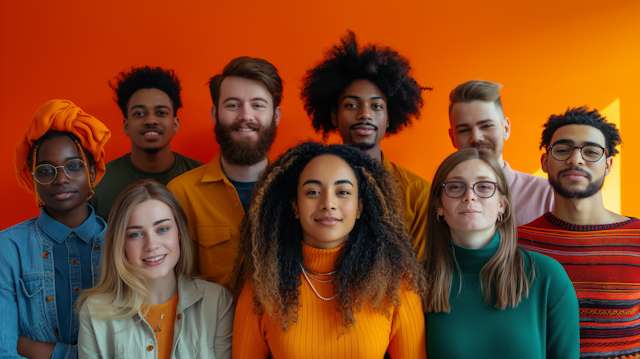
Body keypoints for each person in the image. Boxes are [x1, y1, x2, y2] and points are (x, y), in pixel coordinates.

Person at [232, 142, 427, 358]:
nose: (328, 203)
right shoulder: (262, 287)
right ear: (295, 206)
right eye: (313, 191)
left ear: (360, 207)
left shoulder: (397, 284)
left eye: (342, 191)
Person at [424, 148, 579, 358]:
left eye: (484, 187)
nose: (470, 196)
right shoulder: (416, 283)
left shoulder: (549, 278)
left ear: (502, 205)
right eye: (455, 187)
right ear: (438, 206)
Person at [517, 106, 640, 359]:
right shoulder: (515, 243)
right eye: (562, 150)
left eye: (591, 152)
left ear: (608, 164)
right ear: (544, 161)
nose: (576, 159)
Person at [301, 31, 431, 261]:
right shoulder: (305, 185)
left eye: (376, 106)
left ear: (389, 118)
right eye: (351, 105)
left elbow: (419, 272)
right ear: (334, 116)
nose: (364, 114)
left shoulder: (417, 194)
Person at [0, 99, 110, 358]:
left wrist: (39, 349)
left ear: (92, 173)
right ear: (33, 179)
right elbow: (4, 348)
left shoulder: (122, 242)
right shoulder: (8, 248)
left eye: (74, 166)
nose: (61, 179)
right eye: (46, 170)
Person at [77, 179, 233, 358]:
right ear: (121, 244)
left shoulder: (218, 302)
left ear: (179, 232)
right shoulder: (94, 312)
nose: (151, 245)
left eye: (162, 229)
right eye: (135, 234)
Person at [167, 56, 282, 289]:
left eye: (258, 105)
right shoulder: (180, 194)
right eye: (233, 105)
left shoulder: (301, 191)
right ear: (214, 114)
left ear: (276, 116)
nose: (245, 116)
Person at [90, 66, 203, 222]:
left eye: (161, 113)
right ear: (126, 126)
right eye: (139, 113)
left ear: (175, 124)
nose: (150, 120)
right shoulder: (97, 184)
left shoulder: (203, 179)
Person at [448, 80, 554, 226]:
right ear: (452, 137)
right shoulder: (443, 199)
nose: (476, 138)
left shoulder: (547, 193)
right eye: (464, 130)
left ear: (506, 129)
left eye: (487, 126)